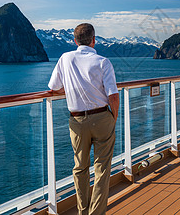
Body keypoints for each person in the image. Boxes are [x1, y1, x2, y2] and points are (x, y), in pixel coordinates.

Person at [48, 23, 119, 215]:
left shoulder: (65, 58)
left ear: (75, 41)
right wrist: (114, 118)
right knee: (102, 168)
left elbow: (54, 87)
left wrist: (72, 89)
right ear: (94, 40)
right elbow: (113, 95)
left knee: (80, 167)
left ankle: (82, 211)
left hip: (77, 120)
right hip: (102, 117)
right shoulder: (103, 62)